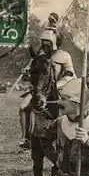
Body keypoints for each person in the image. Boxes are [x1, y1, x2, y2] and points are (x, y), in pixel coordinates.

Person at [18, 13, 75, 148]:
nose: (45, 44)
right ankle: (26, 138)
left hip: (59, 89)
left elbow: (70, 74)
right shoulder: (40, 56)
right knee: (22, 107)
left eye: (48, 41)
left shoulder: (64, 56)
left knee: (69, 109)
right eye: (43, 41)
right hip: (40, 90)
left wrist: (58, 84)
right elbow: (35, 75)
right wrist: (27, 74)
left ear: (55, 41)